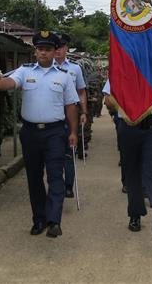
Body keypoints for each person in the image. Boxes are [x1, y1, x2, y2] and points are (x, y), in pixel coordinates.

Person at [0, 30, 79, 238]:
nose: (43, 53)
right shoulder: (24, 71)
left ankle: (54, 220)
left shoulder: (64, 76)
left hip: (55, 133)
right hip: (30, 133)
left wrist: (73, 132)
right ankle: (39, 219)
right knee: (34, 178)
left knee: (56, 176)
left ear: (55, 52)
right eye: (40, 49)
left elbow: (71, 106)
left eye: (48, 49)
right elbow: (9, 83)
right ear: (35, 51)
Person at [103, 67, 152, 235]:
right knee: (132, 172)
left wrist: (148, 82)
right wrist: (127, 90)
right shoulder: (121, 63)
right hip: (128, 125)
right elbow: (108, 100)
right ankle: (135, 214)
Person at [54, 33, 88, 198]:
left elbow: (81, 92)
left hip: (71, 114)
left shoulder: (75, 68)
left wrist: (83, 112)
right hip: (53, 114)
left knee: (69, 152)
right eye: (56, 47)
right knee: (54, 153)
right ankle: (56, 185)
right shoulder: (47, 67)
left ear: (67, 48)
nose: (58, 50)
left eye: (61, 47)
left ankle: (68, 186)